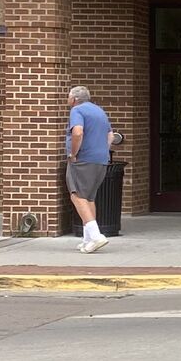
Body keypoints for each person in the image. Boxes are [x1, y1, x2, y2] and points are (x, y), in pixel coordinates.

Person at [65, 85, 115, 254]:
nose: (68, 100)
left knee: (77, 195)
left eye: (69, 97)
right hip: (101, 160)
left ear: (74, 99)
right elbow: (110, 135)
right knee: (89, 198)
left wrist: (73, 153)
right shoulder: (99, 111)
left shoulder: (77, 111)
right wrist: (103, 152)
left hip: (83, 160)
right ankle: (88, 240)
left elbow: (78, 133)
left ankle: (95, 236)